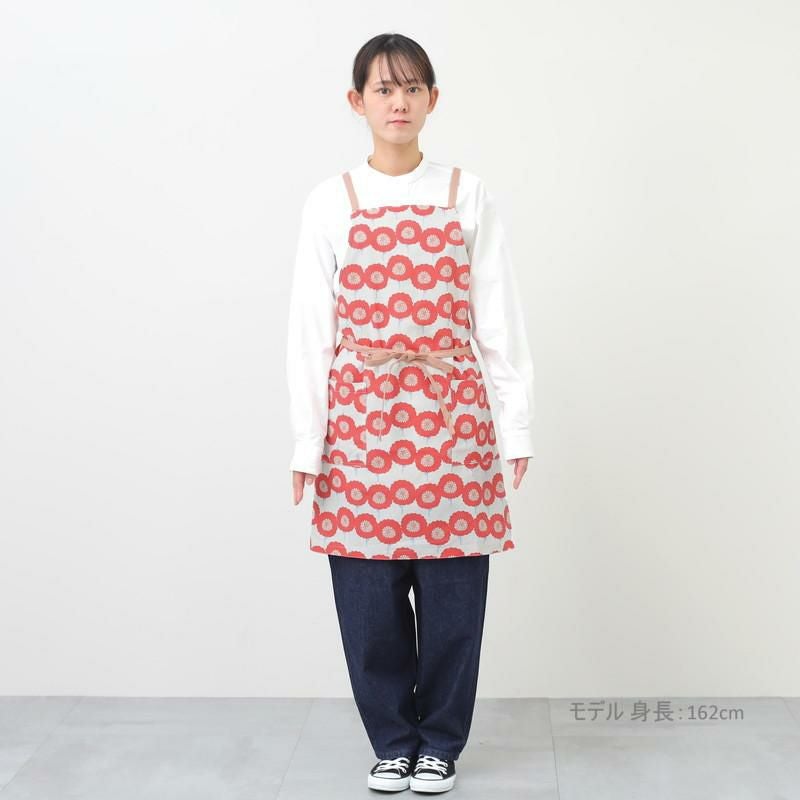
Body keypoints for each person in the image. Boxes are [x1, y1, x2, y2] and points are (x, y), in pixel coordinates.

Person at [285, 32, 534, 794]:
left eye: (413, 88)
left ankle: (440, 746)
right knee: (368, 600)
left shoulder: (467, 193)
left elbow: (498, 317)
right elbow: (310, 330)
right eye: (384, 89)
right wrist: (307, 443)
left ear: (432, 99)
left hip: (451, 421)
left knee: (455, 598)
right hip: (361, 425)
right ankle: (393, 741)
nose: (399, 102)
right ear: (357, 102)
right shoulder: (331, 202)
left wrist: (516, 424)